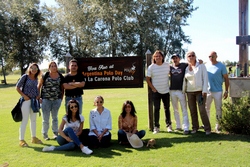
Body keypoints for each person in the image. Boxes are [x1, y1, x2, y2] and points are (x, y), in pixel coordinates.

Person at [182, 51, 211, 135]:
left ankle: (207, 129)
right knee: (192, 110)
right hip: (189, 92)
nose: (191, 57)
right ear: (187, 58)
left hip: (200, 92)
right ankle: (195, 127)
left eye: (192, 55)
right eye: (189, 56)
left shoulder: (201, 65)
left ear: (195, 56)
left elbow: (205, 78)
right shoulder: (186, 68)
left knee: (202, 110)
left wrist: (204, 90)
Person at [16, 63, 43, 147]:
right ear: (30, 69)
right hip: (25, 101)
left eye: (36, 68)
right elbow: (17, 87)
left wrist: (38, 96)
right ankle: (21, 140)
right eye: (32, 68)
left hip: (34, 101)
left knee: (33, 120)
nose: (34, 69)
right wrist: (24, 96)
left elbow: (36, 89)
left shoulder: (36, 79)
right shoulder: (25, 77)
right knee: (25, 120)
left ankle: (33, 138)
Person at [146, 50, 172, 134]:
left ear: (162, 57)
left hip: (166, 91)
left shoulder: (167, 65)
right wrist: (153, 88)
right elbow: (148, 79)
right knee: (156, 109)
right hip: (156, 91)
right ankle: (156, 127)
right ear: (154, 58)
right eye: (156, 56)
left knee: (167, 108)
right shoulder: (151, 67)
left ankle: (169, 126)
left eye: (159, 56)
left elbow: (173, 73)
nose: (158, 57)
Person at [38, 61, 64, 140]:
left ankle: (55, 133)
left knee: (55, 117)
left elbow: (62, 88)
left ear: (56, 67)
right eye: (51, 66)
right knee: (45, 119)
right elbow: (39, 86)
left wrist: (61, 98)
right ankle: (45, 134)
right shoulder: (45, 75)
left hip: (56, 100)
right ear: (49, 68)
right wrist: (39, 97)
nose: (53, 67)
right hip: (46, 100)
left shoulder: (60, 76)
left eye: (54, 66)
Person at [206, 51, 229, 133]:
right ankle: (207, 125)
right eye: (210, 56)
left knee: (218, 109)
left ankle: (218, 126)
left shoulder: (221, 66)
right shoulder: (206, 66)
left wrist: (226, 90)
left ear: (216, 56)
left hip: (218, 91)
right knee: (206, 108)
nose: (211, 58)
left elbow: (226, 78)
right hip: (208, 91)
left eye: (213, 56)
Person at [169, 54, 190, 135]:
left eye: (176, 58)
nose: (175, 60)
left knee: (184, 109)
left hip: (181, 91)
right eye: (173, 58)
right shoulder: (170, 67)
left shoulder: (184, 65)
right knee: (175, 109)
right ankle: (178, 126)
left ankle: (186, 127)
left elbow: (192, 63)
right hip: (172, 90)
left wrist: (200, 62)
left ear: (179, 59)